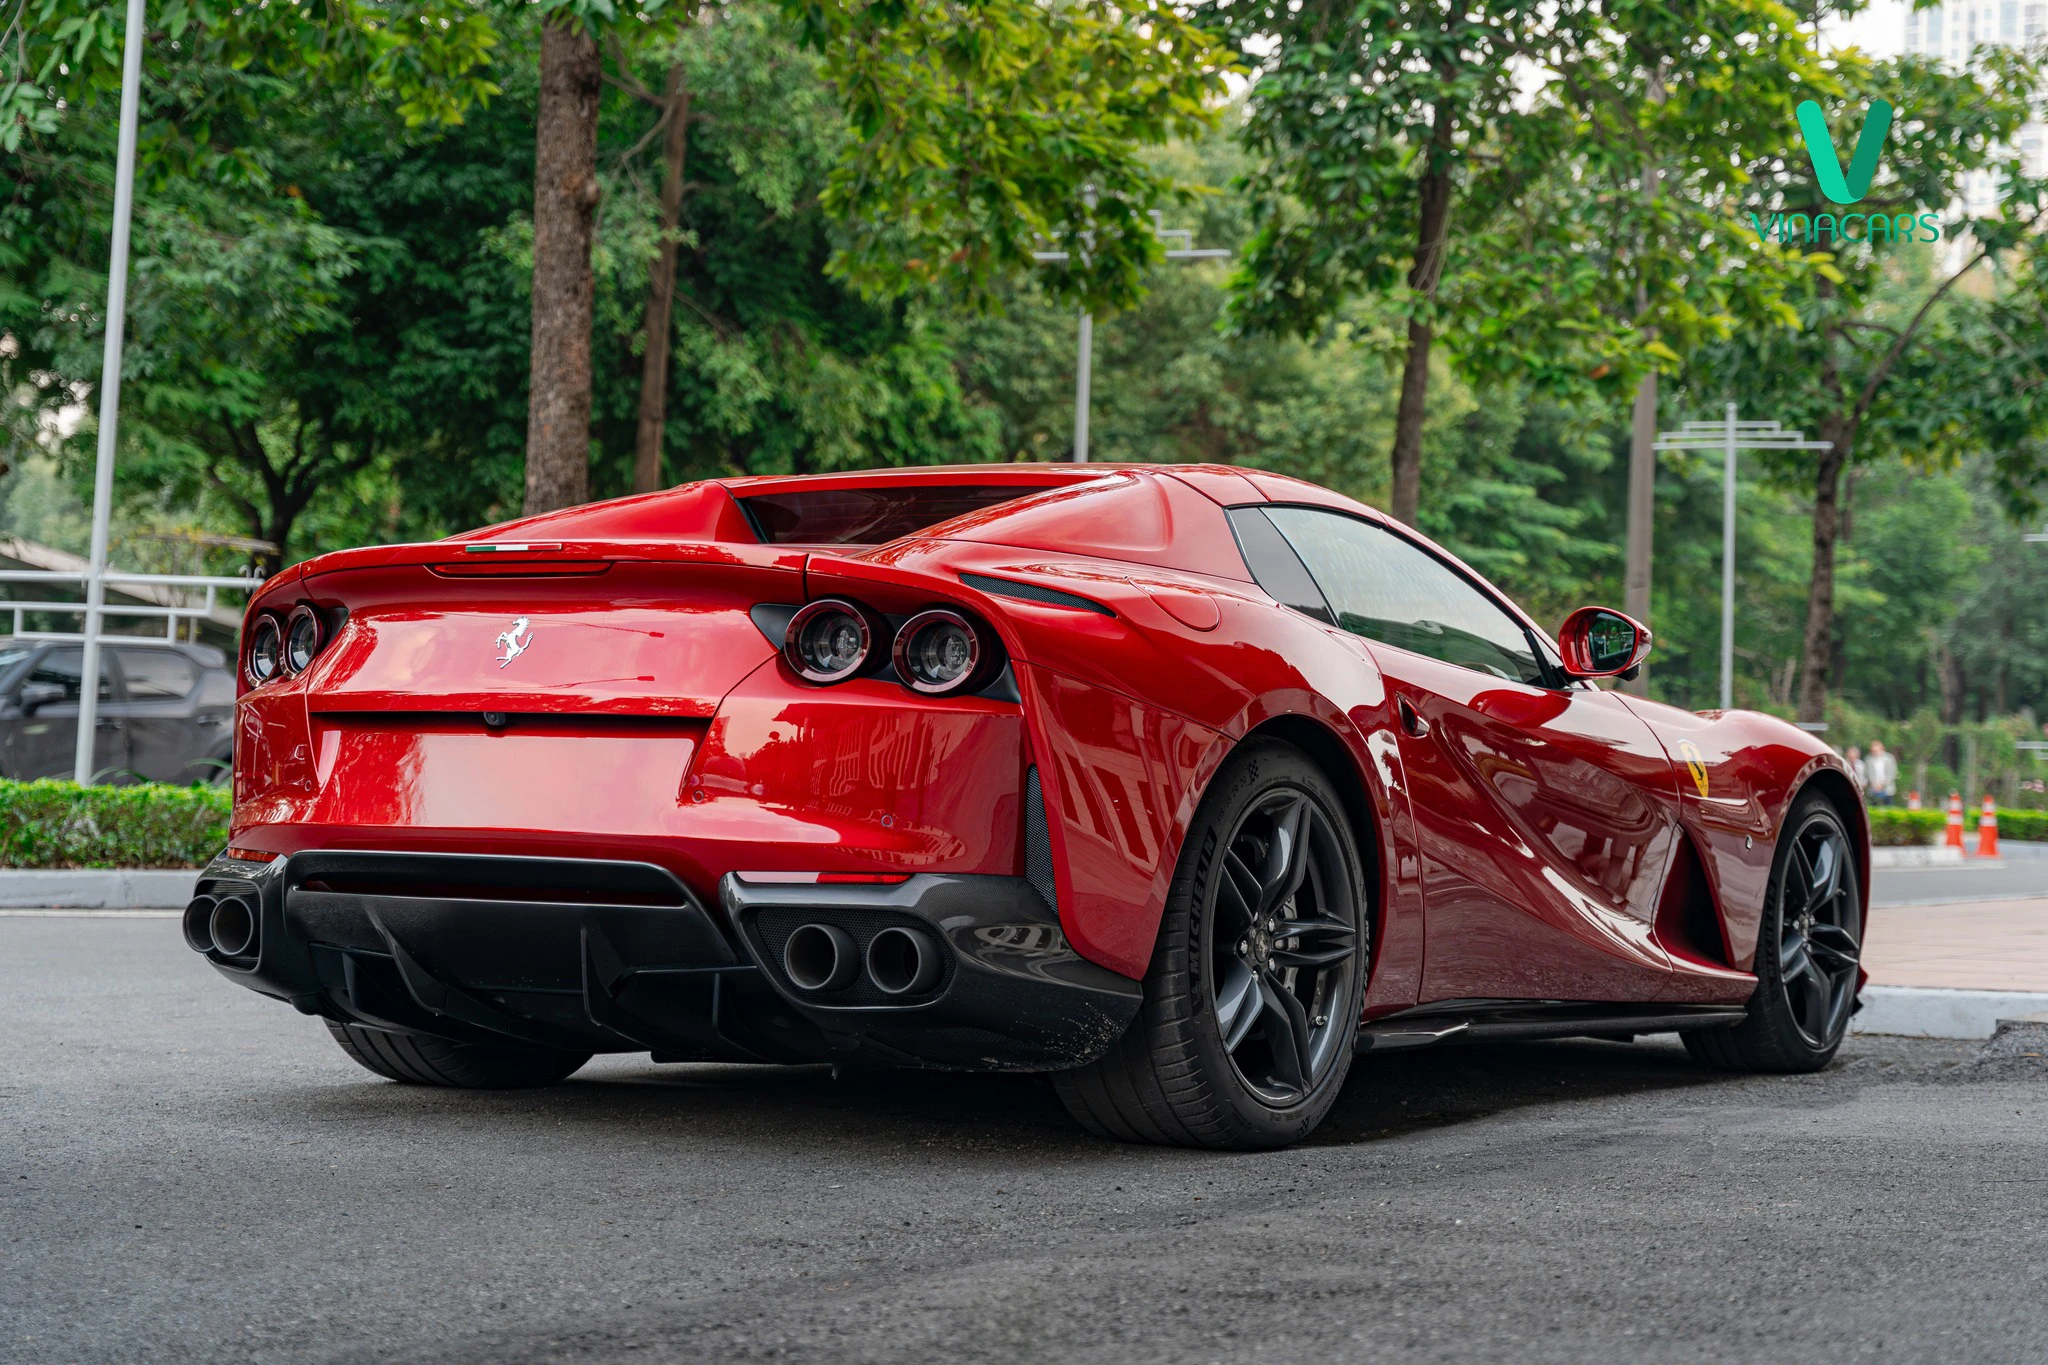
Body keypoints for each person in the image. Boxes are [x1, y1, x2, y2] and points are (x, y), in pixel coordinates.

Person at [1865, 740, 1898, 807]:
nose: (1875, 752)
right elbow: (1868, 773)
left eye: (1877, 750)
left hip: (1887, 788)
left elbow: (1892, 773)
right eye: (1873, 751)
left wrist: (1883, 784)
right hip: (1873, 788)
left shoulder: (1890, 758)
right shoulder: (1868, 759)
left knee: (1889, 807)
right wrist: (1874, 784)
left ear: (1882, 749)